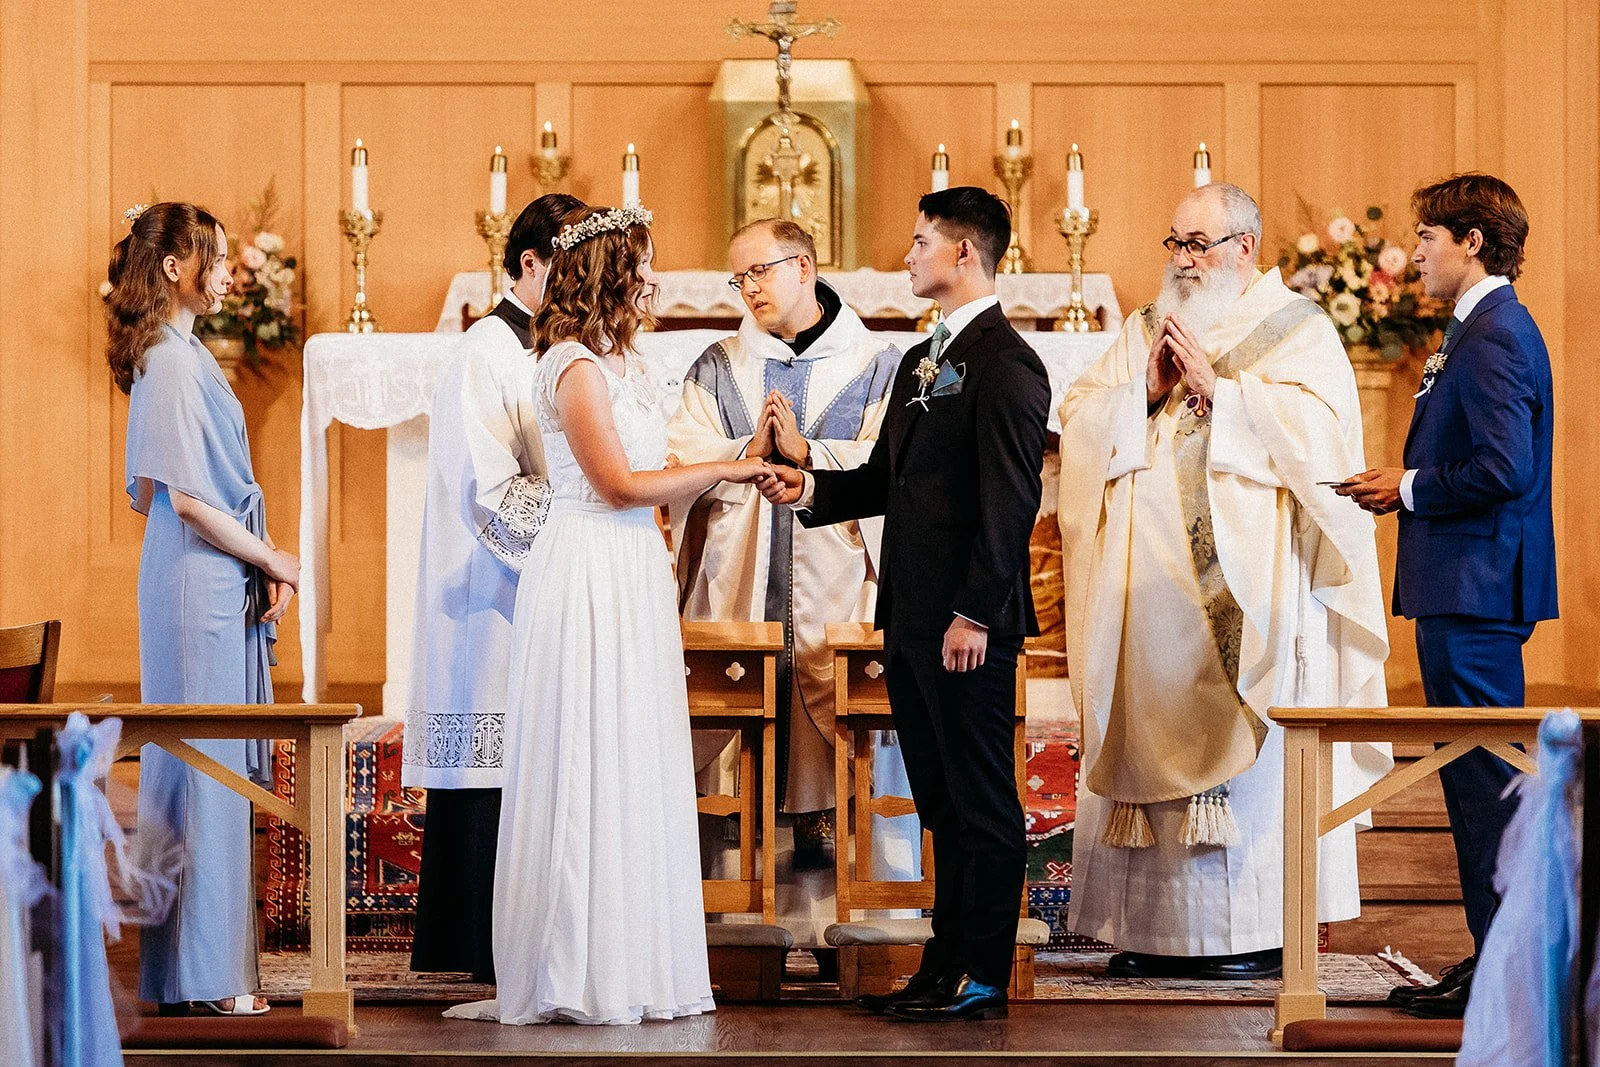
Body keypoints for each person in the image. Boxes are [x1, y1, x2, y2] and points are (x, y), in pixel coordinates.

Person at [444, 205, 769, 1026]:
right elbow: (620, 485)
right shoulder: (573, 365)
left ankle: (635, 960)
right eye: (646, 265)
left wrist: (736, 454)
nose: (657, 278)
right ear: (612, 274)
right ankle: (572, 968)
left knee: (632, 748)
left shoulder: (629, 360)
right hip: (586, 559)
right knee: (586, 747)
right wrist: (731, 467)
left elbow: (655, 465)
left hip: (630, 569)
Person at [1056, 182, 1391, 980]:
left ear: (1245, 248)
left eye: (1198, 245)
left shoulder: (1297, 332)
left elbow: (1326, 449)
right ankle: (1150, 933)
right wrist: (1144, 391)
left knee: (1256, 759)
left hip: (1252, 594)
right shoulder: (1144, 328)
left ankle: (1249, 933)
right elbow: (1079, 412)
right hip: (1145, 604)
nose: (1182, 260)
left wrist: (1225, 394)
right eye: (1174, 243)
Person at [757, 187, 1048, 1022]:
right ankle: (942, 963)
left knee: (984, 803)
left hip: (968, 626)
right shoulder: (924, 358)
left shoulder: (1007, 363)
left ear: (965, 253)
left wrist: (976, 615)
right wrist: (805, 483)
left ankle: (982, 970)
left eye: (922, 242)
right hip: (914, 621)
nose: (907, 255)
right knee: (940, 803)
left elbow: (1008, 505)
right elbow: (887, 482)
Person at [1338, 173, 1556, 1018]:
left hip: (1476, 588)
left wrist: (1412, 485)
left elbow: (1507, 467)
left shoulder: (1497, 333)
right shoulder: (1475, 329)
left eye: (1428, 235)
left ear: (1472, 241)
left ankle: (1507, 972)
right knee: (1470, 785)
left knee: (1485, 788)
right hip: (1461, 586)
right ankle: (1490, 956)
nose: (1417, 251)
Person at [667, 218, 917, 947]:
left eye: (760, 272)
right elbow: (679, 453)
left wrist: (812, 455)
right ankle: (729, 926)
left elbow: (895, 467)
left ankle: (867, 927)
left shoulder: (878, 364)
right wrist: (742, 450)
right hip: (738, 588)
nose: (747, 289)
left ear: (804, 267)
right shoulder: (718, 366)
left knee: (844, 736)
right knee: (733, 739)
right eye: (738, 277)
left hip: (838, 594)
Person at [108, 201, 298, 1016]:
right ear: (178, 268)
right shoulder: (174, 361)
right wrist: (271, 555)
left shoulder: (177, 351)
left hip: (200, 577)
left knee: (194, 765)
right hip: (195, 579)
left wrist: (257, 559)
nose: (229, 271)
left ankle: (188, 972)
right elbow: (184, 500)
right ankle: (211, 975)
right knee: (202, 767)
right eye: (215, 258)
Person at [405, 192, 584, 982]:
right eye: (568, 268)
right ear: (529, 265)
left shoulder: (554, 347)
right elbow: (486, 484)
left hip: (537, 585)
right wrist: (571, 535)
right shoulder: (489, 349)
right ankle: (479, 944)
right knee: (492, 764)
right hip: (495, 590)